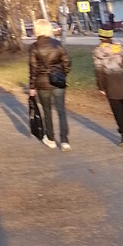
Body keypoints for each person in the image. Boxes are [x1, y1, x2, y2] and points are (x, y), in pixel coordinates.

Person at [28, 19, 71, 150]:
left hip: (42, 84)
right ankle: (64, 141)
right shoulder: (57, 44)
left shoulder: (34, 47)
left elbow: (33, 69)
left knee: (47, 111)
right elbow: (67, 62)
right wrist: (62, 74)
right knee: (61, 111)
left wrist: (32, 86)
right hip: (58, 82)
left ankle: (51, 138)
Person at [92, 23, 123, 145]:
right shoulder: (119, 47)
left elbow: (99, 70)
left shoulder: (98, 51)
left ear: (100, 36)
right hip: (122, 79)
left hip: (109, 81)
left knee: (116, 108)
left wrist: (101, 86)